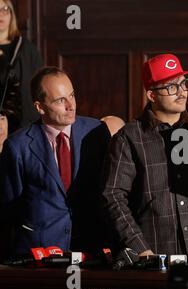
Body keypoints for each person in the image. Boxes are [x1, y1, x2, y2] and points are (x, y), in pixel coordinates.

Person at [101, 54, 188, 268]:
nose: (182, 92)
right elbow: (113, 196)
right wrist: (139, 247)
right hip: (154, 256)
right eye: (171, 87)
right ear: (152, 95)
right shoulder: (129, 137)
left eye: (183, 83)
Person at [0, 67, 111, 257]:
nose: (71, 105)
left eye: (72, 95)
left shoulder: (97, 132)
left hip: (90, 250)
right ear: (39, 107)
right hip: (39, 255)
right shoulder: (18, 146)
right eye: (61, 100)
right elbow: (9, 209)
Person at [0, 0, 43, 132]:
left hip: (22, 124)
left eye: (5, 9)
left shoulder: (26, 49)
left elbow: (40, 85)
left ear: (11, 14)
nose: (0, 14)